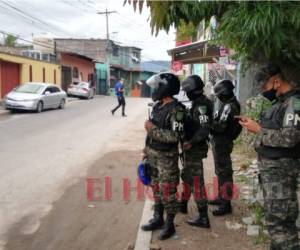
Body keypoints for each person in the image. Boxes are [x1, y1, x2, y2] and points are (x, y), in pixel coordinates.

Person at [239, 64, 300, 250]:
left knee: (282, 224)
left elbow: (290, 138)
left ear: (276, 81)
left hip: (281, 173)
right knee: (275, 222)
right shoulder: (281, 103)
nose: (264, 92)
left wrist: (258, 130)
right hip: (273, 174)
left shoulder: (295, 103)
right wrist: (256, 126)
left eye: (265, 88)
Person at [141, 73, 185, 240]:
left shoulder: (177, 110)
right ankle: (158, 218)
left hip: (166, 157)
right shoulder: (158, 106)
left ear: (165, 88)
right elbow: (150, 133)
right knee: (156, 188)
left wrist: (151, 129)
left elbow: (175, 137)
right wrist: (145, 150)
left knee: (168, 191)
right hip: (153, 154)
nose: (155, 90)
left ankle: (170, 224)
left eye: (157, 87)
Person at [179, 75, 213, 228]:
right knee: (187, 176)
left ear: (192, 90)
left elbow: (204, 129)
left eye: (187, 91)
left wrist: (191, 143)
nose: (186, 94)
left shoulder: (202, 106)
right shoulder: (198, 103)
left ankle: (203, 217)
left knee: (196, 181)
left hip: (194, 148)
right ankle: (183, 203)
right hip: (191, 148)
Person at [209, 79, 242, 216]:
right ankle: (221, 197)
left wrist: (206, 122)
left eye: (219, 94)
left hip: (223, 141)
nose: (218, 97)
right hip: (219, 142)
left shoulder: (230, 106)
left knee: (225, 173)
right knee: (220, 171)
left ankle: (225, 204)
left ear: (224, 93)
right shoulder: (227, 103)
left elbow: (221, 127)